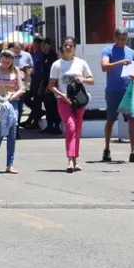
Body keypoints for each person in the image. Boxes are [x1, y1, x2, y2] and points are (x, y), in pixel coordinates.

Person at [48, 36, 95, 173]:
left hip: (79, 100)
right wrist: (62, 95)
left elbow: (91, 80)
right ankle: (70, 159)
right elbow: (51, 85)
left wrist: (83, 79)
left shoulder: (81, 63)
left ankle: (75, 159)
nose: (68, 47)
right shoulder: (57, 64)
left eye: (70, 45)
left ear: (74, 48)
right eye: (66, 45)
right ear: (62, 48)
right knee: (71, 127)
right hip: (63, 100)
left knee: (77, 129)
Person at [101, 28, 134, 164]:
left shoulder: (131, 52)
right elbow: (104, 66)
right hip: (113, 90)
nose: (122, 42)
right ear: (115, 37)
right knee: (111, 119)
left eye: (124, 39)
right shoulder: (108, 50)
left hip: (127, 90)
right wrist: (120, 62)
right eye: (120, 39)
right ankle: (107, 149)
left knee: (132, 119)